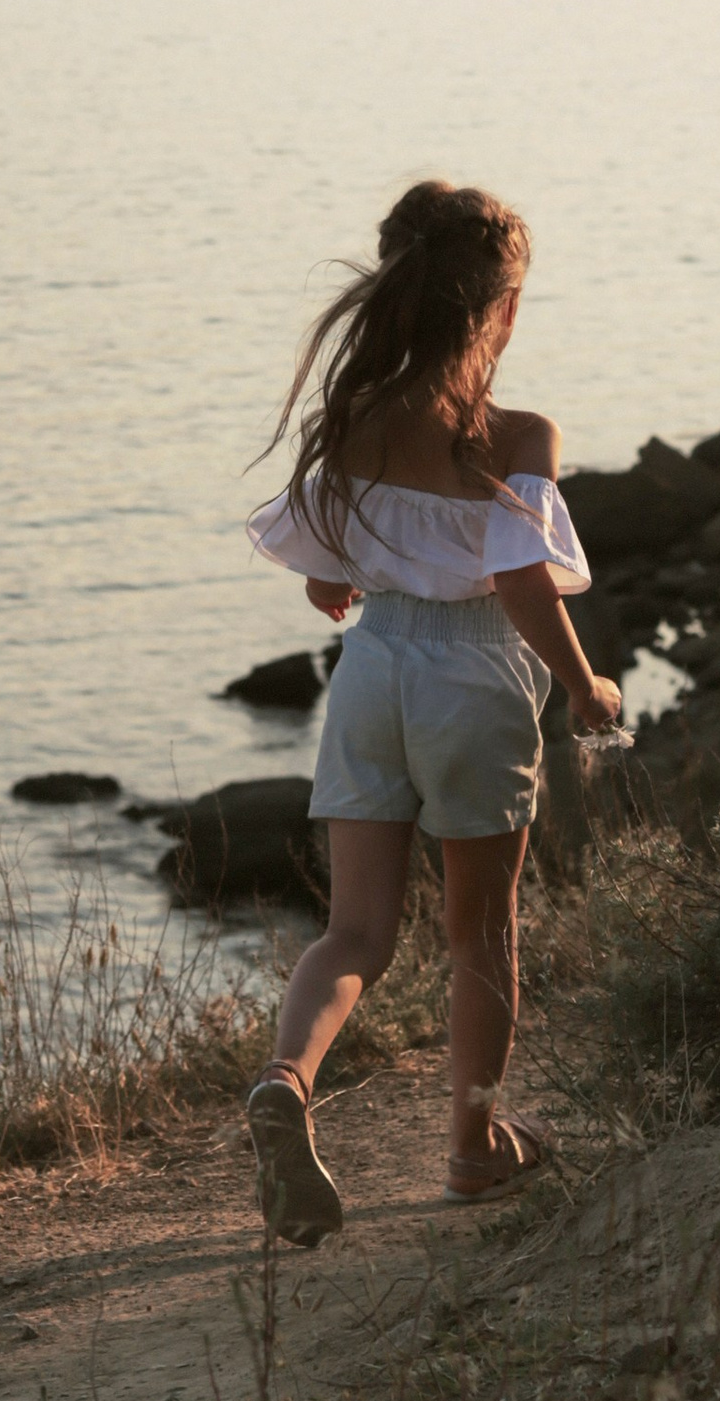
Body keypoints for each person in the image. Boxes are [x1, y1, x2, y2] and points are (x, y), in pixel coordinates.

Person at [240, 179, 621, 1243]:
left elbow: (324, 572)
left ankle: (284, 1077)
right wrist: (584, 688)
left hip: (368, 674)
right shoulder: (515, 433)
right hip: (470, 680)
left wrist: (347, 583)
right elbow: (522, 581)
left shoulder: (353, 419)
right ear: (498, 310)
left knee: (354, 930)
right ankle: (472, 1151)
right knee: (479, 933)